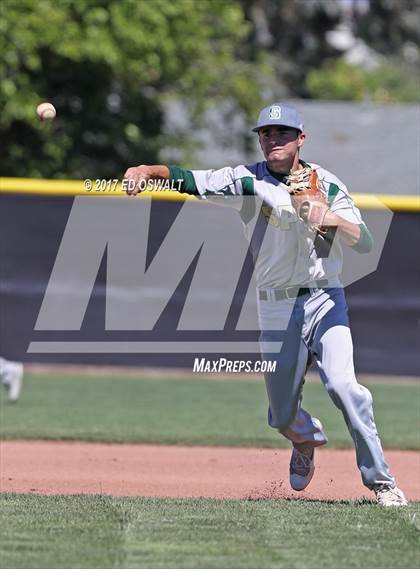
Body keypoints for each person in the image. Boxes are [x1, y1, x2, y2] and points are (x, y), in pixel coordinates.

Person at [123, 102, 407, 506]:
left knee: (346, 388)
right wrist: (147, 172)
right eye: (266, 133)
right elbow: (188, 179)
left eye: (283, 133)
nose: (274, 139)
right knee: (280, 414)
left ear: (300, 139)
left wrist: (326, 218)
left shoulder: (325, 183)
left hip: (325, 298)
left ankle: (382, 483)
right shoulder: (245, 181)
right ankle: (305, 440)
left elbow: (364, 240)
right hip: (275, 305)